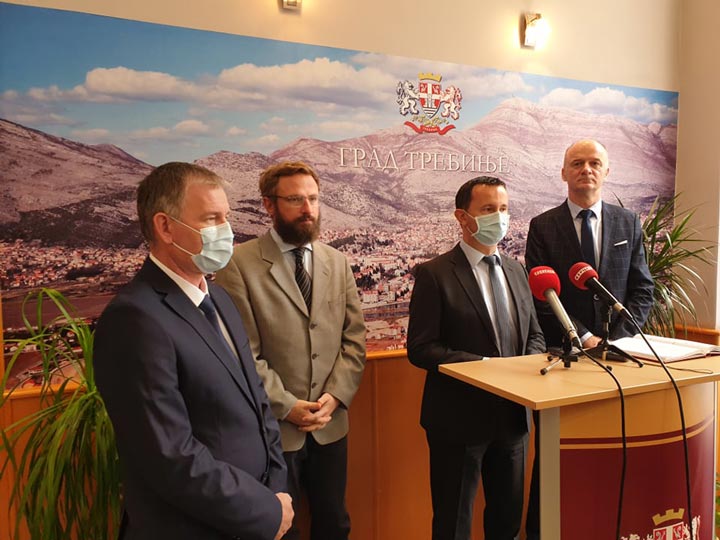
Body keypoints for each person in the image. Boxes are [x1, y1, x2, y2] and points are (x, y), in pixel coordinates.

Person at [95, 162, 293, 540]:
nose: (226, 231)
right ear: (165, 227)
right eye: (211, 219)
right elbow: (170, 455)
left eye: (226, 217)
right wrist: (264, 510)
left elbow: (259, 405)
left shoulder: (220, 299)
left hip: (253, 518)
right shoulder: (134, 320)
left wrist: (276, 492)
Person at [215, 161, 366, 540]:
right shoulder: (238, 265)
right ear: (269, 204)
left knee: (335, 523)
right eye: (296, 199)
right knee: (282, 528)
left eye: (313, 199)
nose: (308, 209)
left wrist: (336, 396)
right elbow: (242, 352)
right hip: (274, 429)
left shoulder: (337, 261)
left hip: (331, 423)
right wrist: (287, 405)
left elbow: (354, 338)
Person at [524, 139, 654, 540]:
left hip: (619, 361)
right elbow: (541, 295)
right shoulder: (543, 226)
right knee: (556, 460)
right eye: (577, 163)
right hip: (564, 360)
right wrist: (584, 336)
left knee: (612, 456)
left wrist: (617, 340)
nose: (586, 169)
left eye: (595, 162)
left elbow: (642, 289)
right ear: (564, 173)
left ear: (607, 171)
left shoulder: (628, 222)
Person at [407, 176, 546, 540]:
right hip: (458, 421)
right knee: (454, 524)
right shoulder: (435, 273)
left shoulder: (517, 270)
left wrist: (526, 367)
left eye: (503, 209)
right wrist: (486, 369)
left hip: (513, 419)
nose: (499, 217)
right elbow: (421, 348)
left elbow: (534, 334)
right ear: (462, 217)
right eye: (487, 209)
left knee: (507, 523)